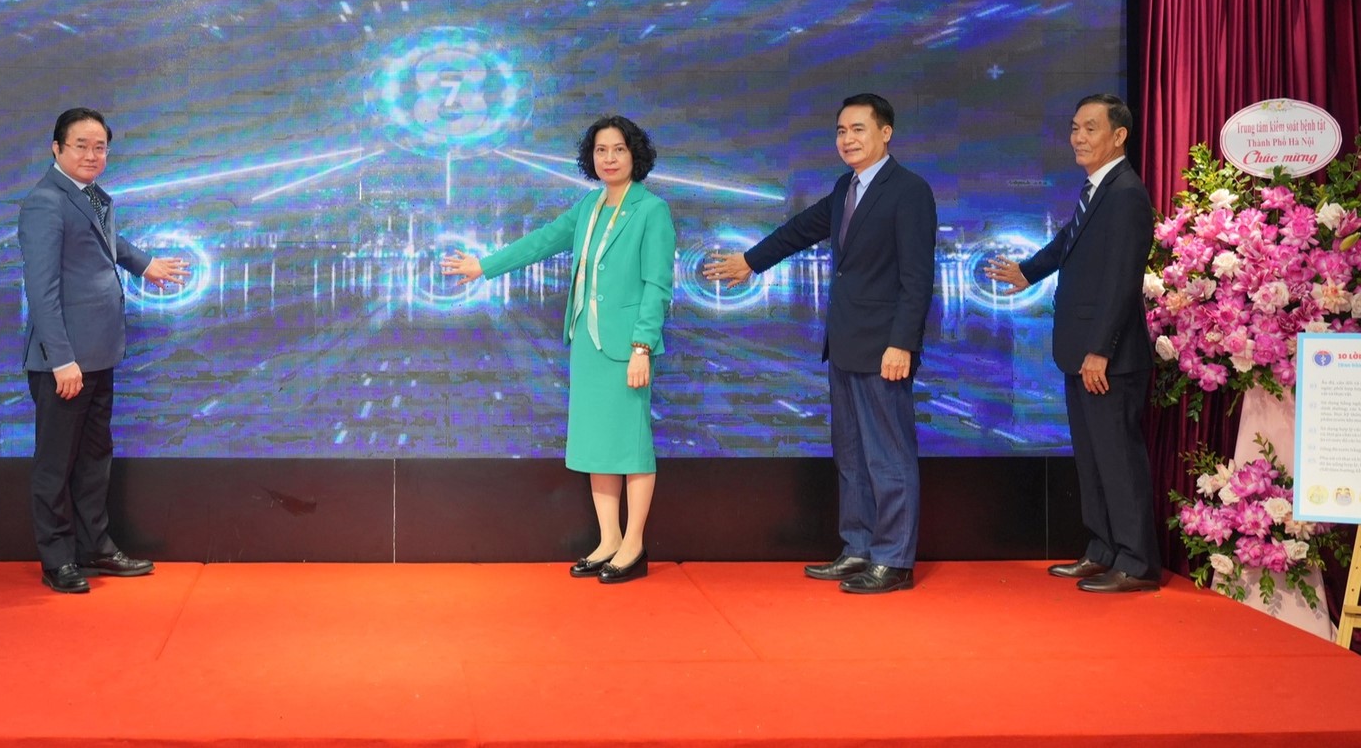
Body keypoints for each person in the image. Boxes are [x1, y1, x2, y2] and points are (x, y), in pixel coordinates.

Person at [702, 93, 936, 594]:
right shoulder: (845, 188)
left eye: (858, 129)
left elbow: (918, 279)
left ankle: (894, 559)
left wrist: (903, 344)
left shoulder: (909, 191)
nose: (847, 139)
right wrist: (751, 261)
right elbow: (801, 230)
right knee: (850, 455)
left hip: (884, 349)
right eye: (841, 131)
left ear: (886, 133)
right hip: (844, 344)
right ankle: (858, 548)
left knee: (888, 456)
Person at [442, 115, 676, 584]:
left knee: (631, 444)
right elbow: (543, 242)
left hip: (627, 346)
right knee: (596, 443)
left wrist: (642, 346)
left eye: (619, 149)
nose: (609, 158)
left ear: (635, 155)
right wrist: (484, 266)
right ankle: (608, 540)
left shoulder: (652, 210)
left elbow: (657, 285)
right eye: (601, 150)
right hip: (587, 343)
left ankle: (634, 545)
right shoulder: (589, 206)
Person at [983, 94, 1159, 593]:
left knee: (1118, 461)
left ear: (1119, 135)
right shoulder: (1097, 189)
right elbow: (1067, 242)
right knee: (1093, 458)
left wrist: (1101, 349)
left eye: (1090, 128)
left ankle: (1136, 563)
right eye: (1074, 128)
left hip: (1109, 357)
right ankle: (1103, 550)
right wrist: (1027, 272)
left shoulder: (1126, 193)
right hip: (1082, 352)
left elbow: (1123, 280)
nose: (1078, 137)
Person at [19, 107, 189, 594]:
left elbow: (106, 242)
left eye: (100, 148)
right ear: (56, 148)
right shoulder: (45, 203)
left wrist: (145, 264)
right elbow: (42, 291)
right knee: (56, 463)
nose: (92, 155)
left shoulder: (90, 196)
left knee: (94, 457)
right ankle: (58, 559)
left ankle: (94, 545)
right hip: (65, 361)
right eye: (81, 146)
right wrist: (61, 358)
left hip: (99, 353)